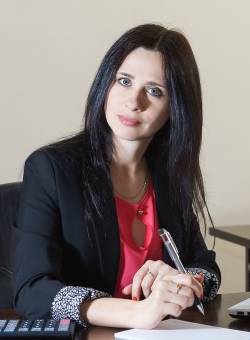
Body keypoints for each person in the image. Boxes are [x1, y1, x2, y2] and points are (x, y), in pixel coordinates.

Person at [12, 23, 220, 329]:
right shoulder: (51, 169)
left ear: (175, 109)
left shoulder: (169, 174)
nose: (134, 102)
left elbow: (205, 267)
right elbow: (31, 291)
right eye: (124, 81)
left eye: (154, 91)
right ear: (104, 86)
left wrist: (182, 281)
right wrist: (135, 314)